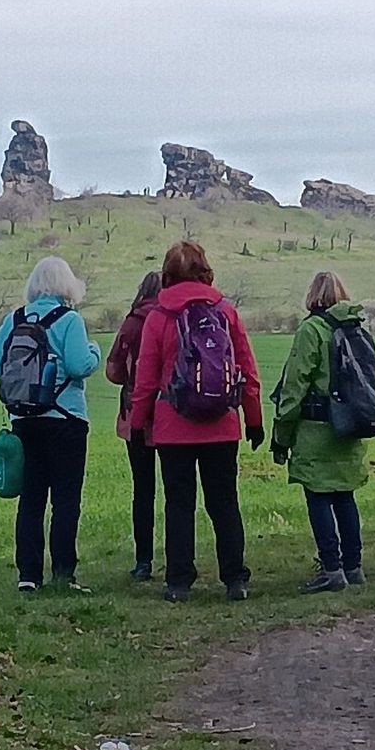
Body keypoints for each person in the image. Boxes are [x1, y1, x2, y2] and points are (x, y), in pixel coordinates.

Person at [129, 240, 264, 603]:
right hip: (222, 423)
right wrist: (253, 419)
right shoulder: (226, 312)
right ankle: (235, 578)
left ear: (166, 275)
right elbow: (247, 370)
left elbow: (145, 379)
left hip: (173, 425)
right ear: (206, 271)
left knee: (178, 503)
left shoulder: (159, 316)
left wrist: (139, 422)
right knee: (224, 502)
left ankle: (178, 581)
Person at [0, 256, 101, 593]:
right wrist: (95, 351)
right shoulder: (69, 320)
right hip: (66, 419)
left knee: (31, 500)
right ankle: (63, 573)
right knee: (65, 500)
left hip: (25, 420)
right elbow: (80, 365)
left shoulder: (15, 319)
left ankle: (28, 575)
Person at [271, 271, 370, 593]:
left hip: (316, 427)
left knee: (319, 497)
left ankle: (331, 567)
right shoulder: (356, 329)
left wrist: (281, 433)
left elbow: (295, 385)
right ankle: (353, 566)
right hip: (350, 425)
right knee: (345, 496)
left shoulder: (311, 329)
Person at [105, 271, 163, 580]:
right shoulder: (173, 318)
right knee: (178, 491)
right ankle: (181, 555)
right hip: (171, 415)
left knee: (143, 490)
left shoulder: (133, 322)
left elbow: (113, 370)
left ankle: (143, 560)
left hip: (135, 415)